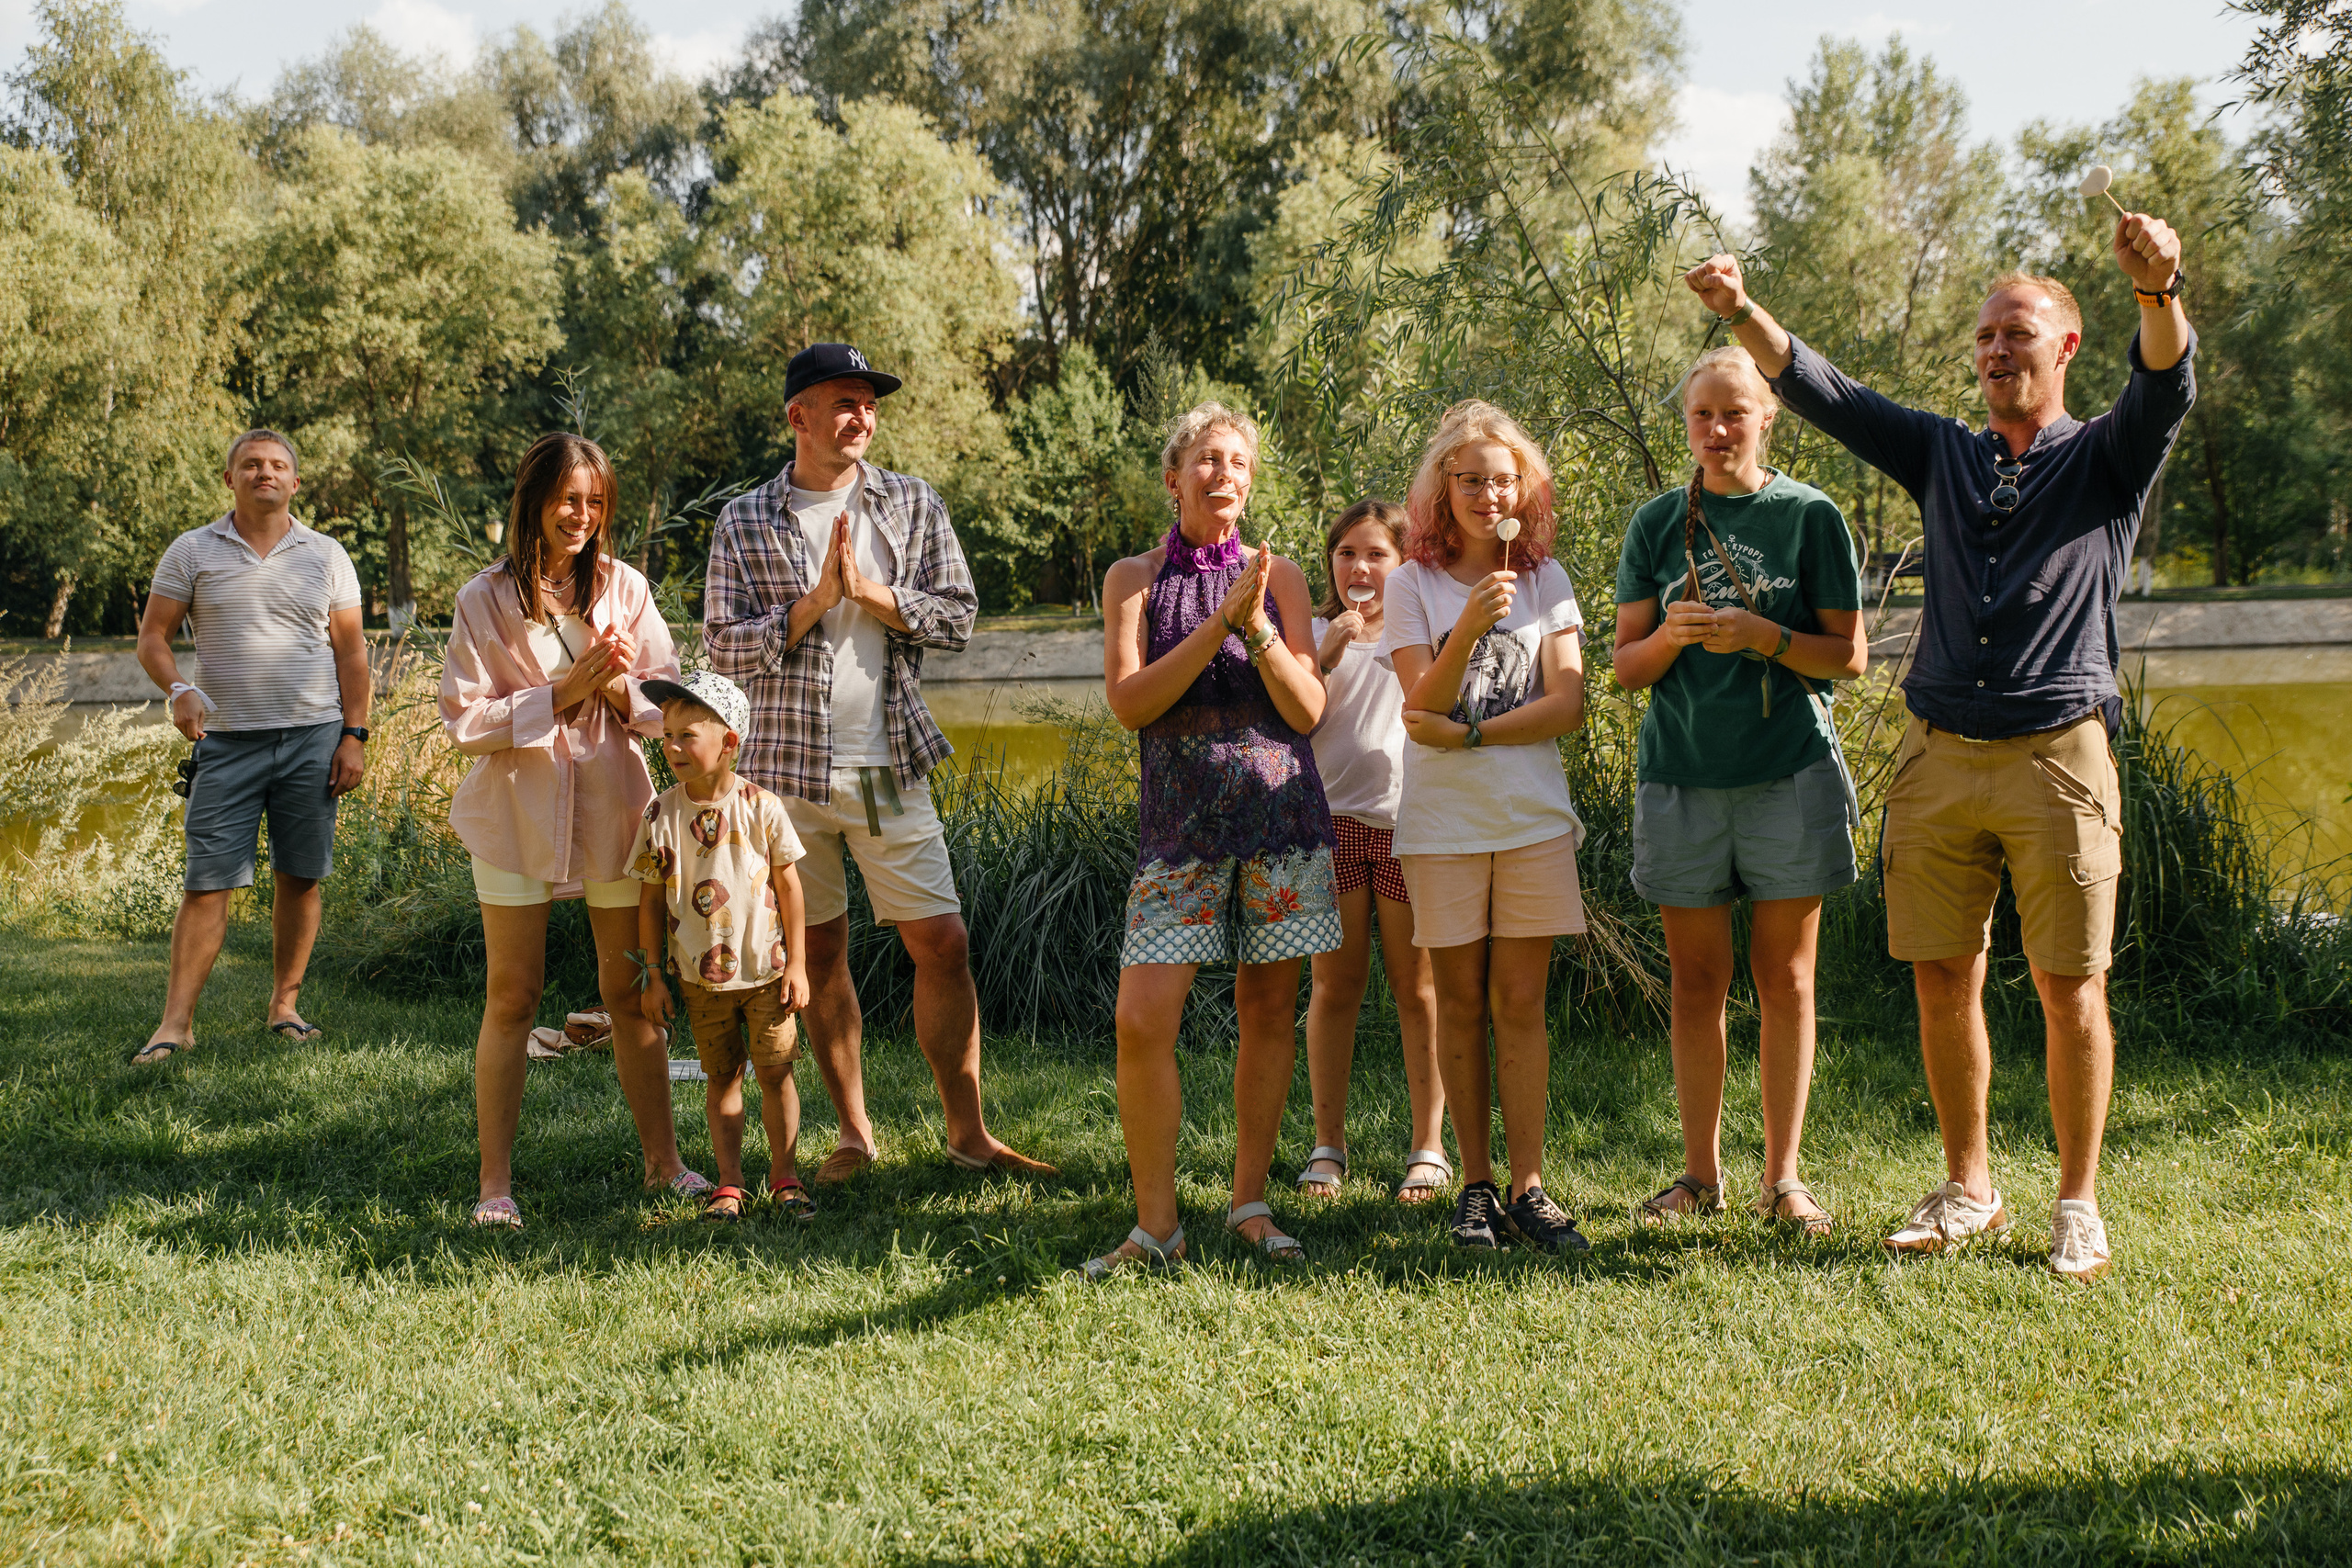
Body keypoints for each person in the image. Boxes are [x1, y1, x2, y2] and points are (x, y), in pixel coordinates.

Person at [1685, 202, 2197, 1282]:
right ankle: (1970, 1188)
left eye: (2018, 331)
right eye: (1984, 336)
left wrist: (2156, 290)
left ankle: (2076, 1203)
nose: (1996, 348)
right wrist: (1740, 312)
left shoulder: (2106, 458)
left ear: (2064, 347)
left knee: (2071, 986)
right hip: (1936, 753)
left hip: (2058, 758)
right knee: (1940, 976)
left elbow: (2163, 382)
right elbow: (1826, 392)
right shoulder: (1943, 454)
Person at [704, 343, 1051, 1184]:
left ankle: (968, 1133)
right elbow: (719, 647)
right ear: (798, 417)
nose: (861, 416)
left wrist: (869, 595)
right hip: (784, 778)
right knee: (819, 954)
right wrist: (814, 603)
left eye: (869, 402)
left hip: (887, 762)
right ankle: (855, 1134)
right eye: (842, 401)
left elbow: (958, 615)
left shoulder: (909, 503)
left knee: (943, 940)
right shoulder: (745, 520)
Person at [1611, 345, 1869, 1237]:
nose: (1717, 432)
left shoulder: (1809, 516)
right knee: (1695, 983)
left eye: (1734, 414)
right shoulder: (1657, 522)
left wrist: (1763, 634)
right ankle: (1698, 1175)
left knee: (1786, 982)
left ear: (1768, 415)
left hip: (1788, 772)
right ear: (1685, 424)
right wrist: (1676, 639)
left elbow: (1849, 657)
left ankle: (1784, 1180)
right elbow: (1622, 668)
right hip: (1682, 776)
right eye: (1701, 417)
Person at [1081, 401, 1340, 1276]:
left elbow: (1309, 710)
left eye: (1237, 461)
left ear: (1251, 480)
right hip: (1180, 836)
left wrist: (1258, 624)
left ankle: (1248, 1203)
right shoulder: (1133, 579)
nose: (1221, 472)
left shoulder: (1289, 579)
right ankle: (1157, 1227)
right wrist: (1216, 622)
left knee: (1269, 1010)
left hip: (1280, 825)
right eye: (1205, 459)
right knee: (1142, 1020)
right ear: (1174, 475)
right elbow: (1131, 703)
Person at [441, 432, 701, 1229]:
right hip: (515, 813)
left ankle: (666, 1164)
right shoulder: (482, 599)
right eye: (568, 500)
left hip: (613, 809)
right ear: (535, 501)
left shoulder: (627, 588)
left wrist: (616, 689)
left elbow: (669, 711)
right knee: (512, 996)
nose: (582, 515)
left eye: (595, 502)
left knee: (627, 988)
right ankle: (494, 1187)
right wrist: (559, 694)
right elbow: (465, 721)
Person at [1379, 400, 1591, 1255]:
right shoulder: (1410, 584)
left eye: (1502, 480)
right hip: (1442, 825)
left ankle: (1530, 1186)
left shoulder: (1548, 580)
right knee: (1459, 1002)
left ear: (1523, 489)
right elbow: (1414, 705)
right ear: (1443, 489)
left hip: (1532, 819)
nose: (1487, 493)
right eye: (1470, 480)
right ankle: (1474, 1184)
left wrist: (1470, 732)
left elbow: (1567, 704)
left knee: (1522, 1001)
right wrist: (1467, 625)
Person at [132, 429, 371, 1066]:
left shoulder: (326, 555)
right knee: (208, 883)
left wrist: (355, 735)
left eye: (277, 465)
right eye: (251, 464)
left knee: (300, 875)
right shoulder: (191, 550)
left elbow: (351, 652)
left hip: (314, 739)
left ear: (295, 482)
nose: (264, 472)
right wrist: (179, 687)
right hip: (226, 741)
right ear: (230, 478)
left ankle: (284, 1005)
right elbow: (152, 637)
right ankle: (174, 1024)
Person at [1297, 498, 1449, 1205]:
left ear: (1405, 562)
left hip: (1407, 828)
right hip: (1331, 826)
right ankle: (1329, 1145)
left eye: (1376, 555)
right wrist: (1323, 655)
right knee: (1335, 987)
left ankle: (1428, 1145)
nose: (1359, 567)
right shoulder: (1313, 635)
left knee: (1418, 990)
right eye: (1347, 553)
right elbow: (1291, 720)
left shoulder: (1418, 635)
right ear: (1331, 563)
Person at [630, 671, 815, 1223]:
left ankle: (785, 1175)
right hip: (696, 976)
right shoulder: (659, 814)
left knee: (776, 1072)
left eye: (687, 735)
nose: (672, 747)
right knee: (722, 1077)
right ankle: (730, 1183)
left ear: (729, 743)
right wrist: (654, 974)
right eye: (667, 735)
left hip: (767, 971)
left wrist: (799, 964)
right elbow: (648, 899)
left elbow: (790, 887)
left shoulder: (762, 807)